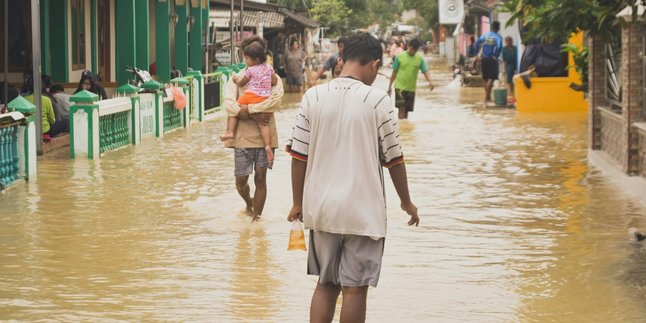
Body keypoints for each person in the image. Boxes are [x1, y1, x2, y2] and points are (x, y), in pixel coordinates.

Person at [286, 32, 419, 323]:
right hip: (363, 211)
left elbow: (298, 157)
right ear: (374, 64)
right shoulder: (378, 102)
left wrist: (298, 203)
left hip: (321, 208)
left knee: (326, 282)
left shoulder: (313, 96)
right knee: (355, 290)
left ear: (343, 59)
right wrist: (407, 202)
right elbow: (395, 160)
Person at [223, 36, 284, 222]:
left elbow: (276, 101)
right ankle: (249, 203)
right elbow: (229, 105)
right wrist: (254, 113)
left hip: (265, 135)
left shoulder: (274, 77)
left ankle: (256, 219)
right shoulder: (237, 79)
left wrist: (247, 110)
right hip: (242, 136)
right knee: (241, 180)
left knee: (260, 177)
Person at [220, 42, 278, 165]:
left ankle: (230, 131)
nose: (244, 60)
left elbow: (240, 86)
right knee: (264, 125)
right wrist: (255, 114)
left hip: (250, 96)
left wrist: (236, 80)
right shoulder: (269, 69)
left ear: (255, 59)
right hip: (264, 99)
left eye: (246, 58)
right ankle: (267, 145)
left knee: (235, 108)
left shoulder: (249, 71)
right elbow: (274, 82)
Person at [387, 38, 434, 120]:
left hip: (411, 89)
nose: (413, 51)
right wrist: (390, 86)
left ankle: (404, 130)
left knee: (406, 112)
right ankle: (401, 130)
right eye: (412, 49)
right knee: (401, 109)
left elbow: (425, 71)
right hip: (400, 87)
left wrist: (430, 81)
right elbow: (394, 72)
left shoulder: (419, 59)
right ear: (408, 46)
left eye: (415, 50)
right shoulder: (399, 57)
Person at [476, 21, 503, 103]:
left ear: (492, 27)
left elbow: (477, 43)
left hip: (484, 58)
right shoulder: (498, 37)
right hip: (492, 59)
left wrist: (477, 54)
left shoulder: (485, 35)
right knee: (492, 78)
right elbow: (499, 47)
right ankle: (487, 97)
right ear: (498, 28)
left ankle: (488, 97)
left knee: (485, 78)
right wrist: (496, 55)